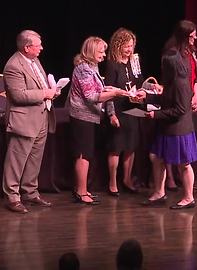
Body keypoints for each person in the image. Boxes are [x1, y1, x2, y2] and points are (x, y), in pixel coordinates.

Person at [139, 20, 197, 209]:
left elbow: (180, 110)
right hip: (169, 125)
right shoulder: (173, 79)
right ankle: (159, 192)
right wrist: (149, 96)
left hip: (179, 127)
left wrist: (155, 115)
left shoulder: (181, 84)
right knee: (156, 157)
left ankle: (189, 197)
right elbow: (167, 97)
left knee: (183, 163)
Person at [69, 36, 129, 204]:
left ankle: (83, 189)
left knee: (87, 153)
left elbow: (98, 89)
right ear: (91, 51)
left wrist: (111, 90)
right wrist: (116, 93)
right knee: (83, 153)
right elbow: (91, 96)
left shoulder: (92, 66)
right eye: (101, 51)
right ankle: (81, 192)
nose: (104, 55)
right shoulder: (83, 69)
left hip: (91, 116)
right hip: (82, 116)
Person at [2, 30, 57, 214]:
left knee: (35, 159)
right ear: (26, 47)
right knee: (16, 160)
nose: (41, 48)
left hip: (41, 116)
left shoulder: (35, 61)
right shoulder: (13, 65)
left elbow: (40, 85)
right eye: (37, 45)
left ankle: (30, 192)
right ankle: (12, 197)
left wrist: (52, 90)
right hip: (24, 119)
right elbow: (18, 95)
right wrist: (44, 94)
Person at [104, 27, 160, 196]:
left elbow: (141, 82)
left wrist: (151, 87)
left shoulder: (134, 61)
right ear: (118, 46)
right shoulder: (112, 64)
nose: (129, 50)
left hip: (132, 108)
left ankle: (127, 179)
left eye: (131, 46)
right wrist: (111, 114)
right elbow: (108, 92)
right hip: (119, 109)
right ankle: (112, 182)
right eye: (126, 46)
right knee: (116, 147)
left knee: (131, 146)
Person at [164, 20, 197, 192]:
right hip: (180, 96)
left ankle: (186, 186)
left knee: (182, 149)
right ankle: (170, 178)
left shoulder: (191, 50)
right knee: (169, 143)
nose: (195, 38)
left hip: (187, 96)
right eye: (192, 35)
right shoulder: (173, 53)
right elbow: (172, 78)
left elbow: (196, 73)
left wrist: (195, 92)